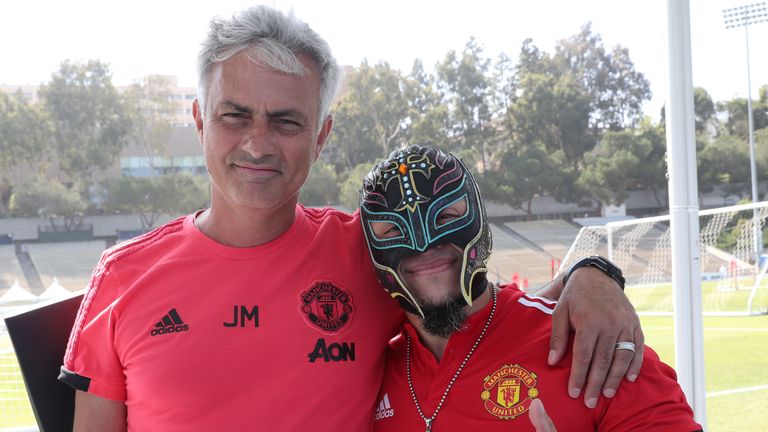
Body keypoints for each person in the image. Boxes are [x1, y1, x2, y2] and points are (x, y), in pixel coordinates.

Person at [59, 6, 643, 431]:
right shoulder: (120, 278)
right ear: (199, 120)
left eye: (286, 121)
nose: (258, 144)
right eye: (235, 115)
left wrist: (594, 273)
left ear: (322, 136)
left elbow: (492, 310)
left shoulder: (367, 255)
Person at [360, 145, 702, 431]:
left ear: (479, 217)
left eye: (446, 216)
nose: (424, 246)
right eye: (391, 231)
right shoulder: (363, 371)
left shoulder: (588, 343)